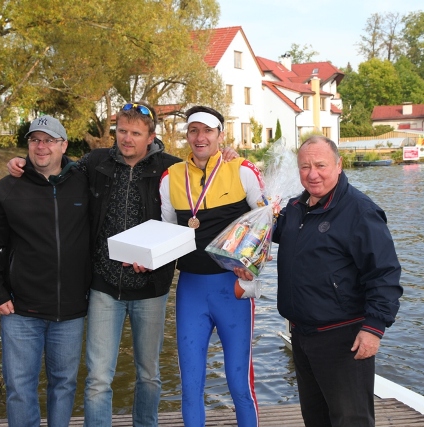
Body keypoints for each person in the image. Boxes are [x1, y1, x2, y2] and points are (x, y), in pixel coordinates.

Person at [7, 102, 182, 427]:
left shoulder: (172, 168)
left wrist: (156, 257)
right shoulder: (96, 162)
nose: (126, 138)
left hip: (151, 289)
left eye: (135, 133)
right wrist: (24, 162)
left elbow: (189, 212)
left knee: (149, 374)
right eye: (122, 131)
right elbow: (57, 168)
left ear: (151, 137)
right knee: (99, 377)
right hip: (104, 288)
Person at [272, 135, 403, 427]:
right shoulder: (294, 208)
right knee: (315, 418)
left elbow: (384, 273)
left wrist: (374, 328)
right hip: (302, 334)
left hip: (344, 337)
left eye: (321, 165)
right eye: (305, 166)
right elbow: (267, 233)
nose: (312, 174)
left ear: (339, 165)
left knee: (350, 420)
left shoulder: (360, 211)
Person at [0, 115, 91, 427]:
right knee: (19, 387)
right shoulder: (5, 190)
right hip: (20, 309)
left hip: (70, 309)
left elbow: (124, 159)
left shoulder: (84, 183)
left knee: (64, 384)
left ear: (63, 145)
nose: (41, 146)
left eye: (49, 140)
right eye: (35, 140)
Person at [159, 105, 264, 427]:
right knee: (190, 387)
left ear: (221, 134)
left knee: (239, 384)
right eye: (193, 131)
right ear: (187, 135)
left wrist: (252, 266)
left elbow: (266, 225)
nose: (200, 137)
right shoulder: (171, 177)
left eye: (207, 130)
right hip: (191, 289)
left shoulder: (241, 169)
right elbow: (167, 233)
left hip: (231, 289)